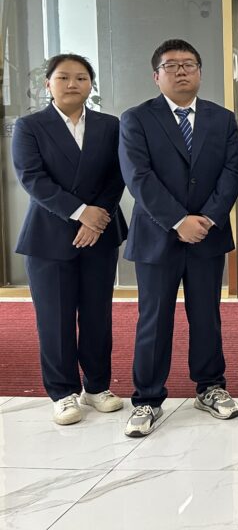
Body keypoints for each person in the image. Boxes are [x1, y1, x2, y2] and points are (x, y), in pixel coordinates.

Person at [119, 39, 238, 438]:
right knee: (154, 319)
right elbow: (138, 177)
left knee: (206, 315)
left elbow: (232, 173)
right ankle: (147, 399)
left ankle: (209, 387)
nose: (182, 71)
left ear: (201, 72)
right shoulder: (136, 119)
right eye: (171, 66)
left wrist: (205, 217)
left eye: (189, 64)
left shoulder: (222, 119)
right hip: (158, 235)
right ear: (156, 76)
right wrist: (178, 220)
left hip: (207, 235)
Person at [12, 54, 128, 425]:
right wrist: (81, 212)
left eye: (81, 77)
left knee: (97, 314)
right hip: (49, 235)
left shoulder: (110, 126)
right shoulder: (30, 126)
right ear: (48, 84)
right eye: (63, 77)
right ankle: (62, 392)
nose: (73, 83)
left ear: (91, 84)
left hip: (100, 232)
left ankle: (96, 387)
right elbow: (33, 178)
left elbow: (118, 175)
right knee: (55, 318)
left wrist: (97, 218)